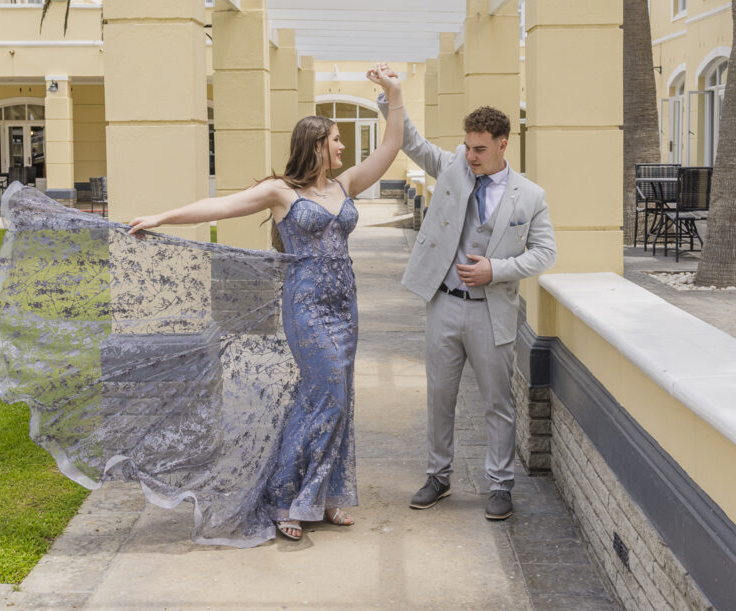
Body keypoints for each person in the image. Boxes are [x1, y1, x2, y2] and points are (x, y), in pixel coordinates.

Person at [126, 64, 405, 540]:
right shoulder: (282, 192)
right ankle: (284, 497)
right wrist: (163, 215)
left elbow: (391, 146)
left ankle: (325, 495)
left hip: (345, 306)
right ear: (316, 144)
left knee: (338, 398)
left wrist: (394, 94)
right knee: (327, 392)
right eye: (336, 140)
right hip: (307, 307)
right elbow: (222, 206)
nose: (343, 147)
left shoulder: (346, 186)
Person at [375, 67, 556, 521]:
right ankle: (438, 476)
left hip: (492, 311)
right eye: (469, 147)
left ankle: (499, 484)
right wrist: (390, 95)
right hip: (444, 304)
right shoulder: (455, 166)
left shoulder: (529, 196)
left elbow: (545, 253)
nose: (472, 157)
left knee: (498, 401)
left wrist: (496, 269)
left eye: (480, 149)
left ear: (502, 145)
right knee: (440, 395)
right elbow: (413, 142)